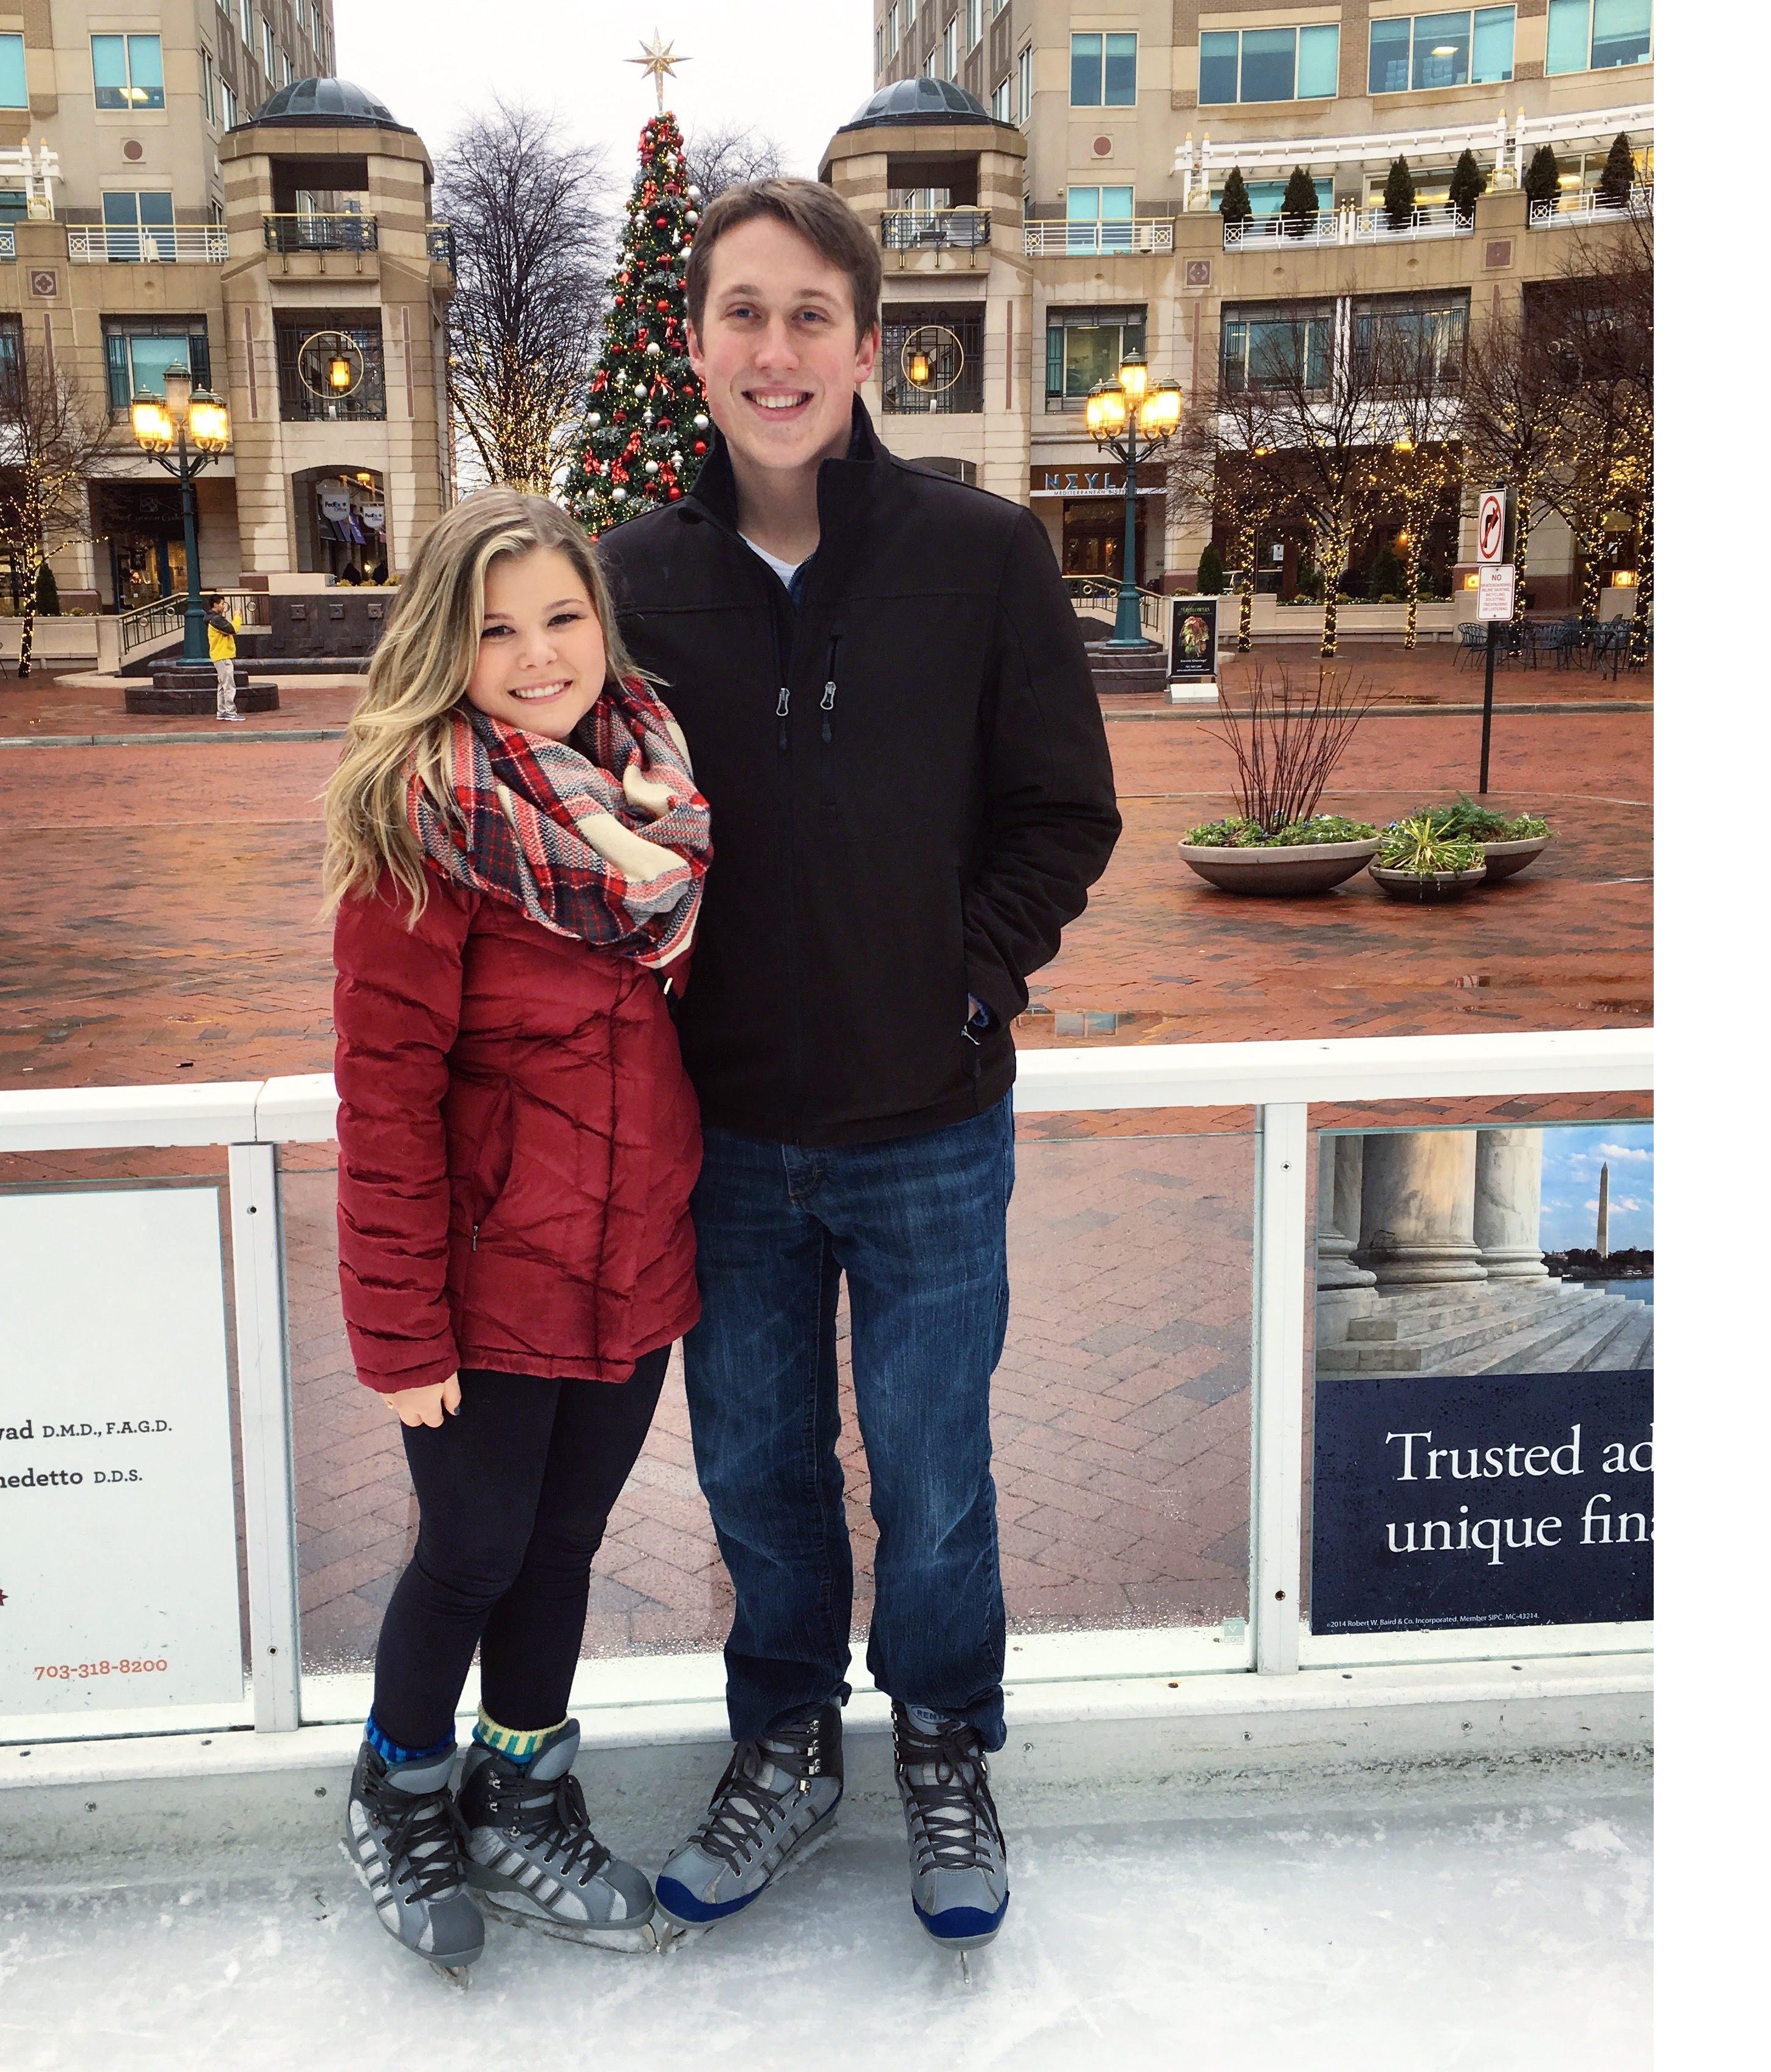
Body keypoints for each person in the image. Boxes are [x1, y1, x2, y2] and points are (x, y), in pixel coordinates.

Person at [597, 179, 1123, 1957]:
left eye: (808, 315)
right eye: (739, 312)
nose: (773, 349)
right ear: (694, 347)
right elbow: (564, 815)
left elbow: (1064, 809)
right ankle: (784, 1739)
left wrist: (965, 989)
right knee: (750, 1464)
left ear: (865, 346)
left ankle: (947, 1744)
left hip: (923, 1128)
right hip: (720, 1130)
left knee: (930, 1464)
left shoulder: (979, 556)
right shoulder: (626, 579)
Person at [322, 486, 713, 1981]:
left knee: (565, 1544)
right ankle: (401, 1787)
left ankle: (523, 1790)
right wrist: (399, 1329)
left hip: (631, 1264)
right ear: (445, 645)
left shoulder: (653, 798)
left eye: (562, 617)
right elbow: (385, 1104)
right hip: (486, 1284)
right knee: (474, 1551)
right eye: (496, 629)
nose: (539, 653)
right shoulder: (423, 825)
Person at [205, 599, 241, 721]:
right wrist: (237, 617)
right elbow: (233, 629)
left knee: (222, 685)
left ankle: (222, 711)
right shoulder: (216, 620)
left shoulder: (212, 619)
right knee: (229, 685)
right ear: (215, 605)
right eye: (222, 604)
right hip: (223, 655)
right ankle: (231, 712)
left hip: (218, 655)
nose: (223, 606)